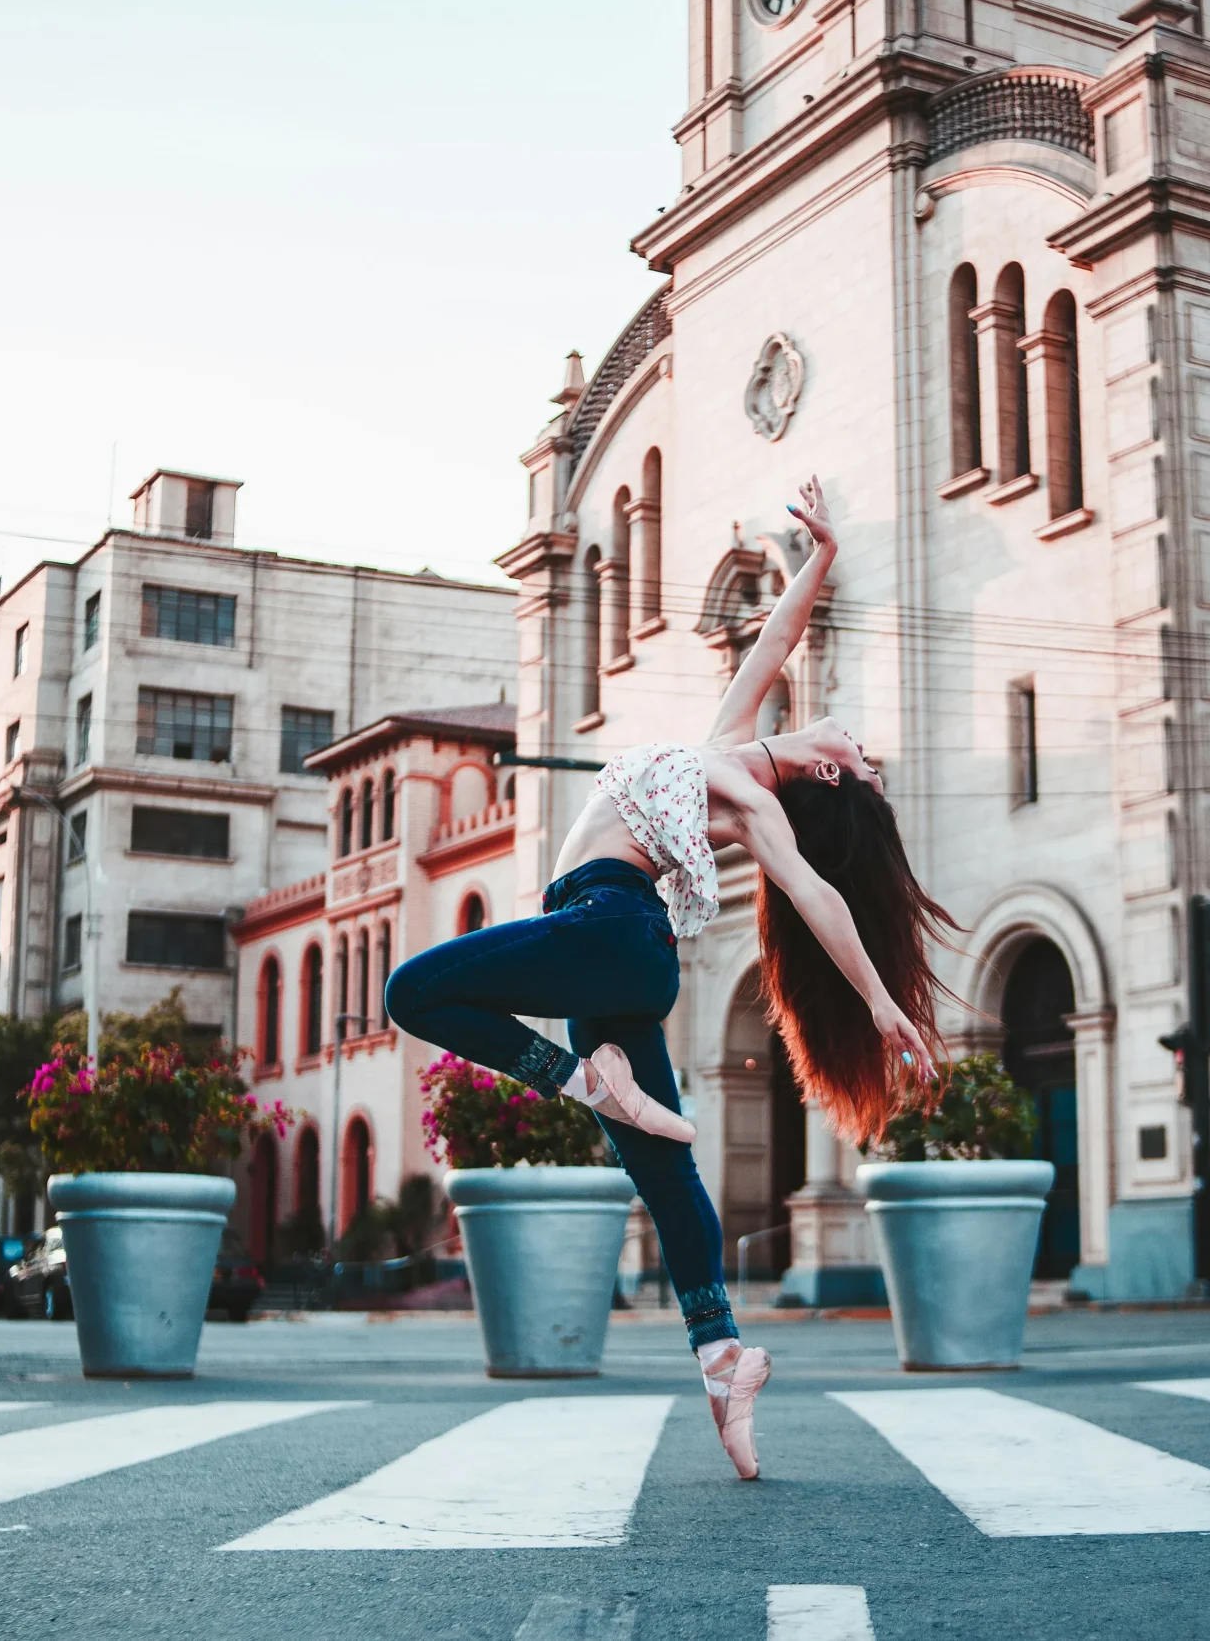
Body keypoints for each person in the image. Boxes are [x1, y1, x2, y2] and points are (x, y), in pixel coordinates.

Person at [386, 475, 956, 1481]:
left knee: (412, 992)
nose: (849, 738)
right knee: (666, 1172)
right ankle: (722, 1360)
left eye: (855, 754)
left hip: (606, 928)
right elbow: (775, 643)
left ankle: (579, 1081)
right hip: (620, 957)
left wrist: (877, 1000)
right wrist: (817, 556)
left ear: (828, 772)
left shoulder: (748, 794)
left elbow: (820, 900)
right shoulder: (731, 747)